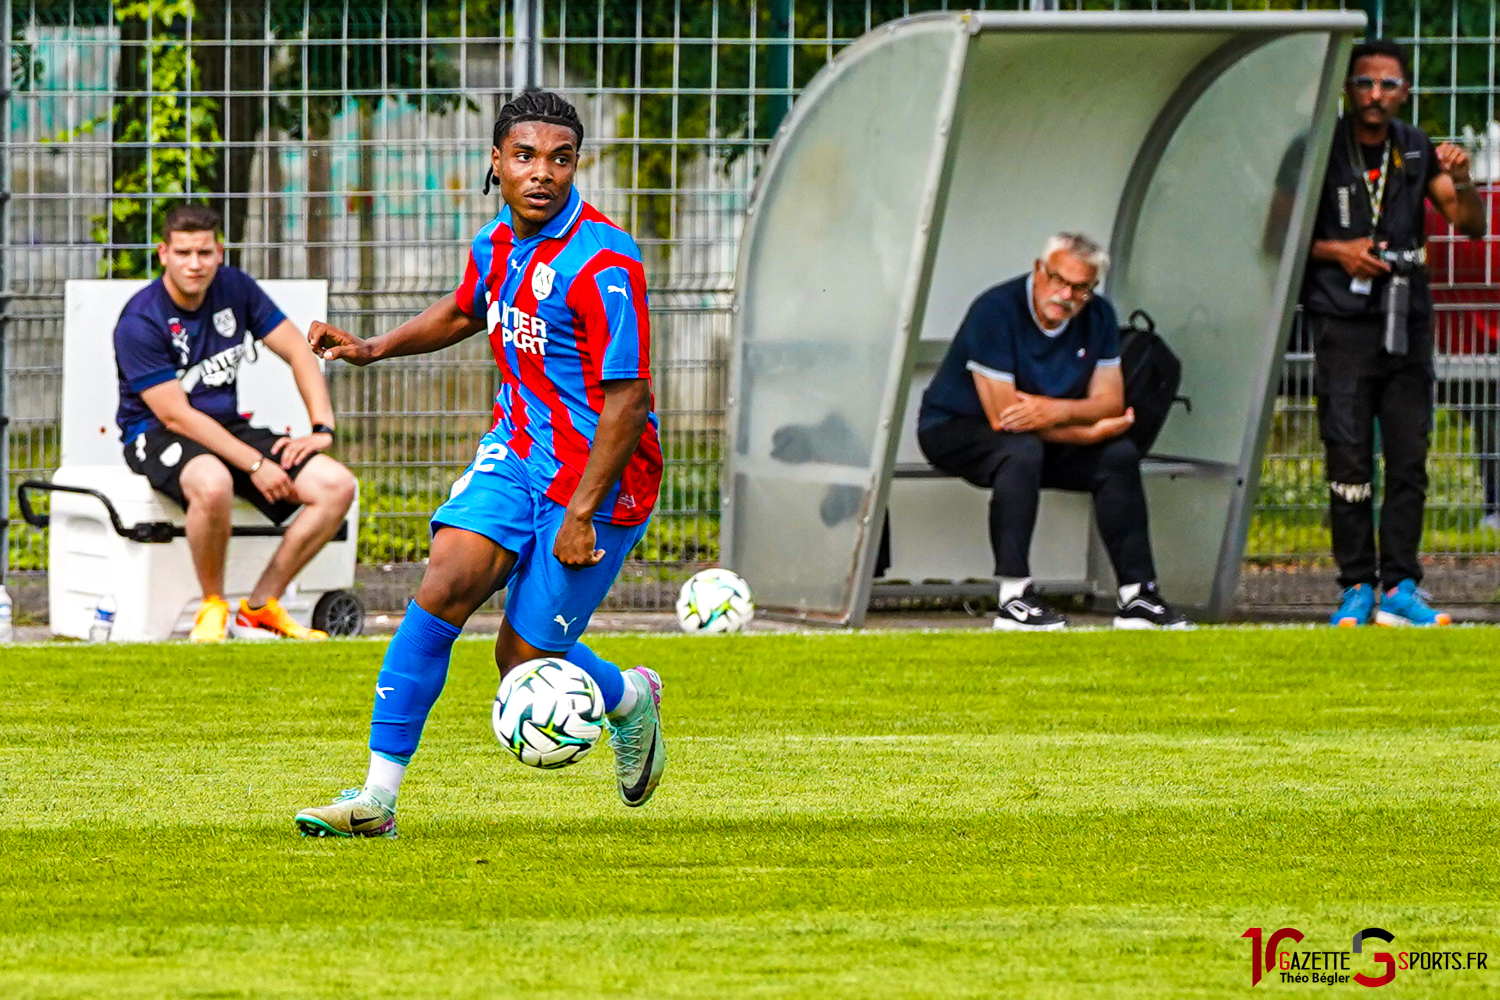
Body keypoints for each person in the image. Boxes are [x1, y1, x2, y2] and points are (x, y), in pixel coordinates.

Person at [294, 89, 665, 839]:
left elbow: (629, 400)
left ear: (574, 167)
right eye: (524, 156)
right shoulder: (495, 243)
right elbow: (468, 309)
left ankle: (628, 700)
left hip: (600, 478)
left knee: (521, 658)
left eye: (559, 159)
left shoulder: (606, 262)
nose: (542, 173)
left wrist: (582, 516)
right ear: (495, 162)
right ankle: (375, 800)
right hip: (517, 454)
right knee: (445, 583)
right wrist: (372, 347)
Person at [916, 232, 1189, 631]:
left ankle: (1138, 597)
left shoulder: (1098, 316)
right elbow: (1005, 418)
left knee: (1119, 456)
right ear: (1039, 270)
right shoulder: (995, 309)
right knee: (1021, 449)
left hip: (1040, 432)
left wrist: (1052, 410)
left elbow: (1110, 401)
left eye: (1080, 288)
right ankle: (1014, 598)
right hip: (955, 428)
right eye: (1058, 280)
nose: (1065, 295)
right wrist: (1085, 433)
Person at [1302, 39, 1486, 627]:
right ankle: (1355, 585)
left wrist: (1465, 179)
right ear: (1346, 88)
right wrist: (1339, 252)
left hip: (1405, 315)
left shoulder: (1416, 147)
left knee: (1409, 457)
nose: (1375, 95)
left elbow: (1469, 226)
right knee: (1348, 457)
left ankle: (1400, 585)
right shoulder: (1321, 146)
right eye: (1364, 83)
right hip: (1341, 319)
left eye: (1387, 85)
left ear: (1405, 92)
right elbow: (1278, 231)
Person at [113, 204, 357, 643]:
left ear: (219, 252)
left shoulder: (235, 288)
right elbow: (174, 414)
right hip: (154, 432)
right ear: (163, 253)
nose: (194, 264)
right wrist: (255, 464)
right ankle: (213, 606)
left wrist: (322, 429)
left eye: (204, 253)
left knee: (336, 486)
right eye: (183, 252)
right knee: (213, 482)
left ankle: (261, 607)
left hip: (225, 425)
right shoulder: (140, 319)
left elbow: (299, 351)